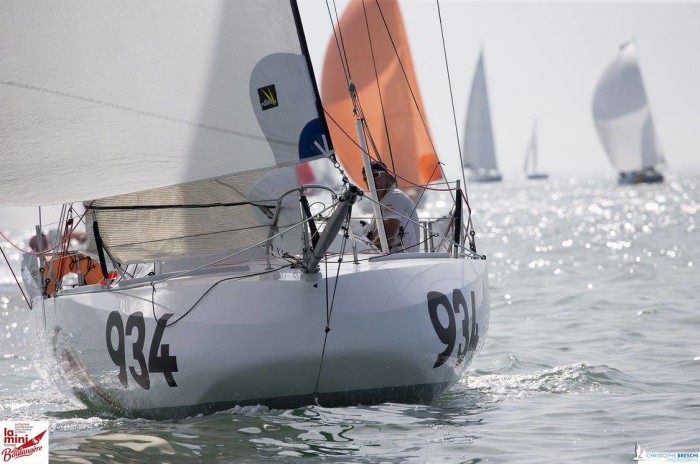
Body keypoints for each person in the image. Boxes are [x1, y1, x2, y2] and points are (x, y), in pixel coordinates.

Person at [361, 160, 420, 253]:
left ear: (387, 177)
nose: (371, 180)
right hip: (394, 259)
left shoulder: (394, 196)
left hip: (404, 260)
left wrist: (365, 254)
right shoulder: (383, 200)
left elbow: (388, 236)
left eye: (375, 175)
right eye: (366, 178)